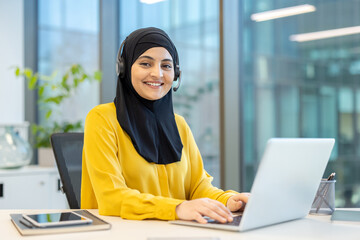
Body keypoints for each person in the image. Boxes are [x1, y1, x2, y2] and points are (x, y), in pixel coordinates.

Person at [81, 27, 250, 224]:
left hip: (174, 231)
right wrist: (177, 208)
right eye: (145, 63)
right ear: (124, 69)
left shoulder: (179, 124)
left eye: (167, 66)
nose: (157, 74)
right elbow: (111, 196)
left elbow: (197, 187)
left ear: (176, 73)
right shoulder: (102, 119)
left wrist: (230, 201)